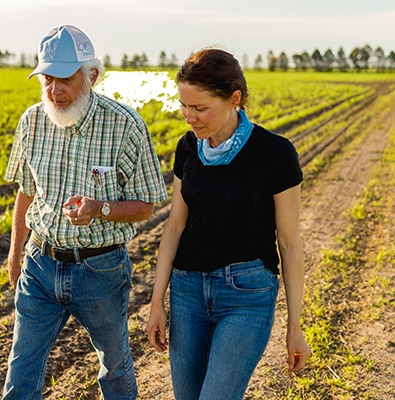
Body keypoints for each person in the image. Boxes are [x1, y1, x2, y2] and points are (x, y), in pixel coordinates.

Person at [2, 25, 168, 400]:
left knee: (113, 365)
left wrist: (100, 209)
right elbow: (26, 191)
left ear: (91, 76)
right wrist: (16, 254)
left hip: (100, 270)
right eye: (47, 80)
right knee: (21, 367)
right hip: (40, 265)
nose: (54, 90)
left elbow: (146, 204)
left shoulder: (125, 125)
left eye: (64, 79)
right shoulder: (32, 121)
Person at [145, 48, 311, 400]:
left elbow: (290, 243)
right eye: (183, 106)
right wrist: (157, 302)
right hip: (188, 292)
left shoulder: (275, 153)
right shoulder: (188, 147)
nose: (189, 117)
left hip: (246, 295)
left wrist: (295, 326)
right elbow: (175, 226)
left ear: (234, 98)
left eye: (200, 108)